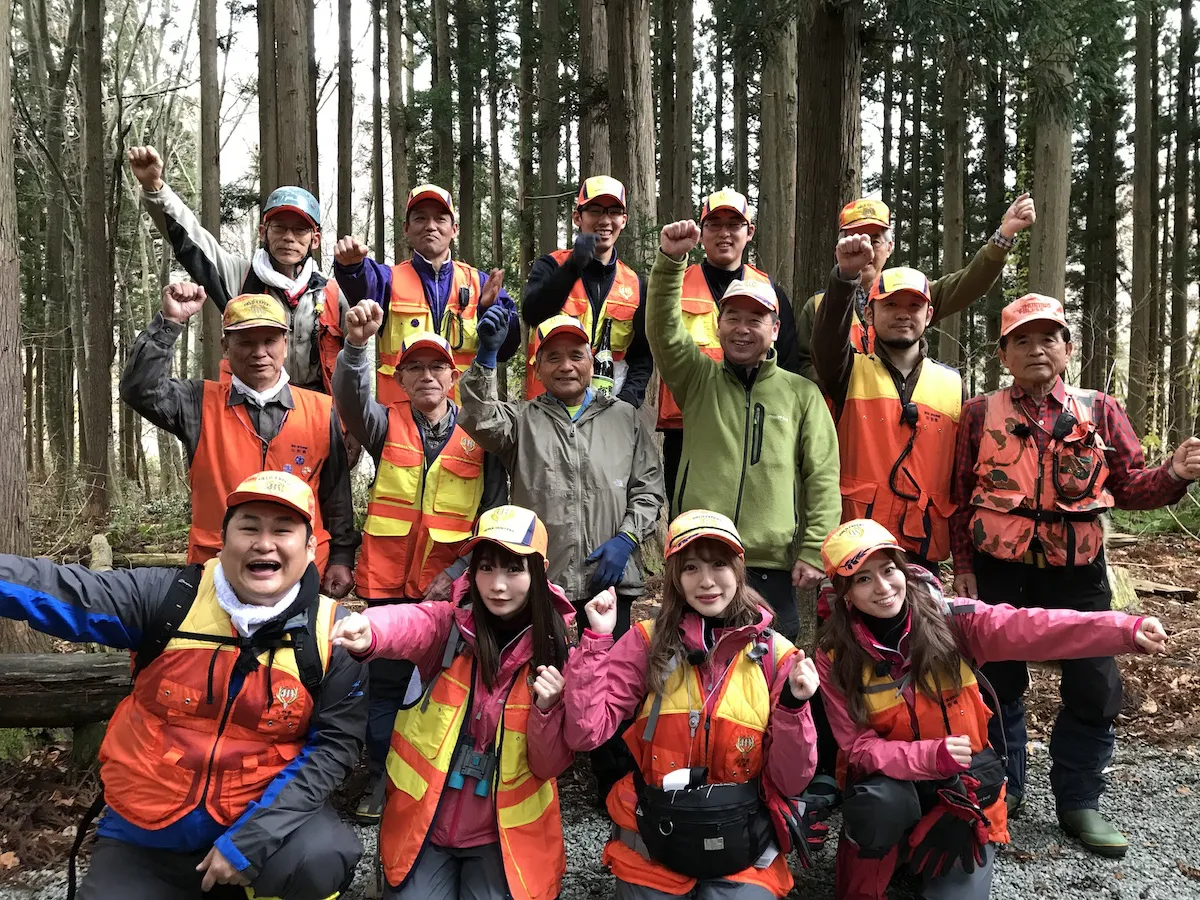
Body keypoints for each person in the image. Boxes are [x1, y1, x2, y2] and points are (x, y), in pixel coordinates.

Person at [0, 471, 368, 900]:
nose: (264, 543)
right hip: (146, 826)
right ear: (223, 539)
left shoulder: (335, 635)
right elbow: (63, 590)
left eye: (282, 530)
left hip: (259, 822)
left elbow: (334, 748)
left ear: (309, 549)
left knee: (322, 857)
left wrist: (248, 841)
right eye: (248, 527)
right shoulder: (168, 598)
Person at [950, 293, 1200, 857]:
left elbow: (1131, 487)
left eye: (1048, 338)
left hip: (1078, 570)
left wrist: (1175, 474)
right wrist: (963, 568)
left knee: (1095, 685)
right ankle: (1003, 787)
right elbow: (959, 498)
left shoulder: (1099, 408)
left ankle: (1080, 800)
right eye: (1022, 340)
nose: (1036, 349)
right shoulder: (977, 413)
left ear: (1067, 348)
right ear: (1004, 354)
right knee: (996, 683)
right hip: (999, 568)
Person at [815, 518, 1169, 900]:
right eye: (863, 579)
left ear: (902, 569)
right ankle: (892, 851)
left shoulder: (955, 622)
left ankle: (929, 851)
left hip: (962, 792)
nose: (883, 588)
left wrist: (1124, 630)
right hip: (892, 787)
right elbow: (855, 749)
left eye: (888, 570)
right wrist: (929, 757)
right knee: (877, 805)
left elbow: (1036, 628)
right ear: (845, 592)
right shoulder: (834, 656)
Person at [458, 311, 665, 802]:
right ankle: (537, 776)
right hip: (542, 581)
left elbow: (649, 491)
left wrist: (628, 540)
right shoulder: (523, 420)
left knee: (610, 684)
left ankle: (614, 780)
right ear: (538, 366)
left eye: (576, 354)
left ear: (592, 360)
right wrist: (485, 357)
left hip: (610, 580)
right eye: (553, 357)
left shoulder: (625, 419)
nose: (566, 365)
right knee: (543, 680)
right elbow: (478, 417)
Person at [564, 509, 820, 899]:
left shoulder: (776, 655)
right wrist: (596, 642)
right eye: (691, 568)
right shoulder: (645, 643)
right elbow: (586, 733)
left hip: (742, 846)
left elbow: (792, 780)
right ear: (675, 580)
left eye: (719, 564)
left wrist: (794, 705)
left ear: (739, 569)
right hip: (652, 842)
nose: (706, 581)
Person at [329, 506, 575, 900]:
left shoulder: (557, 650)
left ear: (538, 573)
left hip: (502, 837)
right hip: (425, 828)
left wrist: (547, 709)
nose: (497, 585)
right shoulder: (448, 628)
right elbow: (412, 623)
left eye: (514, 570)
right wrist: (369, 630)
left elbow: (549, 766)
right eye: (486, 568)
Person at [332, 304, 508, 823]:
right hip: (387, 588)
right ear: (400, 377)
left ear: (454, 376)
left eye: (437, 367)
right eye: (416, 368)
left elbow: (491, 519)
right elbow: (348, 394)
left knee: (444, 688)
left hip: (449, 595)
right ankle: (385, 780)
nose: (427, 376)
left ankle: (438, 782)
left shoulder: (482, 436)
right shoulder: (384, 425)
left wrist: (454, 577)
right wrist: (358, 347)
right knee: (385, 689)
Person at [648, 220, 841, 642]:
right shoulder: (697, 379)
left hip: (769, 565)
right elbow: (663, 331)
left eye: (756, 319)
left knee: (770, 679)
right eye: (732, 317)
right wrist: (670, 263)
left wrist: (813, 549)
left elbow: (823, 477)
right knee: (688, 671)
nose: (742, 327)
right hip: (699, 554)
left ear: (775, 330)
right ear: (718, 327)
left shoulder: (802, 394)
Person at [120, 285, 358, 599]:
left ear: (285, 345)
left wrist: (341, 556)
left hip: (299, 574)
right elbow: (139, 389)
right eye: (245, 342)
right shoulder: (197, 403)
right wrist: (169, 322)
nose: (259, 352)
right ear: (225, 347)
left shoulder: (320, 409)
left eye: (270, 341)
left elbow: (336, 494)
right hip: (215, 574)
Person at [127, 145, 348, 395]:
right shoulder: (241, 278)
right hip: (251, 413)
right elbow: (191, 240)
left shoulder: (332, 294)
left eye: (299, 230)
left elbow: (355, 360)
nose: (289, 237)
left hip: (315, 418)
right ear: (263, 232)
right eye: (279, 227)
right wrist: (155, 187)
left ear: (314, 240)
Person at [813, 236, 962, 574]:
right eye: (891, 305)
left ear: (929, 314)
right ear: (869, 312)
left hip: (923, 548)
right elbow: (825, 341)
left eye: (913, 306)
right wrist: (844, 278)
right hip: (856, 544)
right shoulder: (847, 370)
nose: (902, 315)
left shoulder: (953, 384)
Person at [657, 189, 803, 505]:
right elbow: (658, 333)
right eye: (714, 224)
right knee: (689, 522)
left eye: (733, 225)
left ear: (749, 231)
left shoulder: (772, 292)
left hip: (753, 425)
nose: (724, 233)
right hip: (688, 427)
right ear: (701, 232)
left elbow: (789, 365)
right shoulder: (676, 285)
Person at [794, 194, 1037, 383]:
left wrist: (1004, 235)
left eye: (875, 241)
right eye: (857, 239)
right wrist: (848, 385)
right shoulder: (819, 307)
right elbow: (802, 367)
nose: (865, 249)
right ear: (840, 247)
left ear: (889, 248)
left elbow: (968, 284)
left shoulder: (913, 297)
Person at [331, 184, 520, 405]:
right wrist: (351, 267)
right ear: (406, 228)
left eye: (440, 219)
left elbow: (507, 349)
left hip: (465, 427)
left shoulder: (481, 284)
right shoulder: (388, 280)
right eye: (420, 219)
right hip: (400, 425)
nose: (430, 226)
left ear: (455, 229)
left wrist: (488, 312)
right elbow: (363, 282)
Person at [520, 176, 653, 407]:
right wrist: (573, 267)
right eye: (595, 210)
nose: (604, 220)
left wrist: (629, 401)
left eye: (613, 211)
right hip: (549, 410)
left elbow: (642, 356)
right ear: (577, 217)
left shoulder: (635, 285)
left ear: (624, 220)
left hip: (608, 413)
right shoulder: (552, 266)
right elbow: (532, 314)